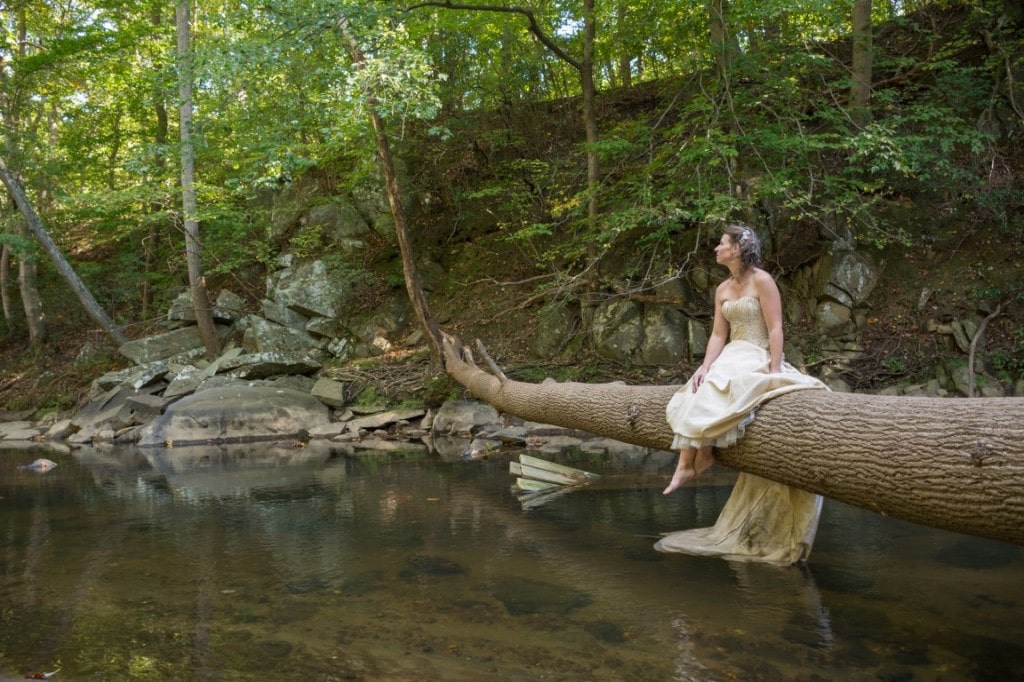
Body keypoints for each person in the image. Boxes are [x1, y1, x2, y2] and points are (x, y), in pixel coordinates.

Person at [663, 224, 825, 495]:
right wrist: (704, 366)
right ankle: (691, 461)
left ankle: (694, 461)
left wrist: (774, 368)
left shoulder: (762, 280)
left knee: (717, 384)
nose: (716, 248)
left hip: (756, 350)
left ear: (736, 249)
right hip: (732, 351)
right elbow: (717, 334)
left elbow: (775, 328)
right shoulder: (722, 289)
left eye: (722, 244)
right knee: (699, 384)